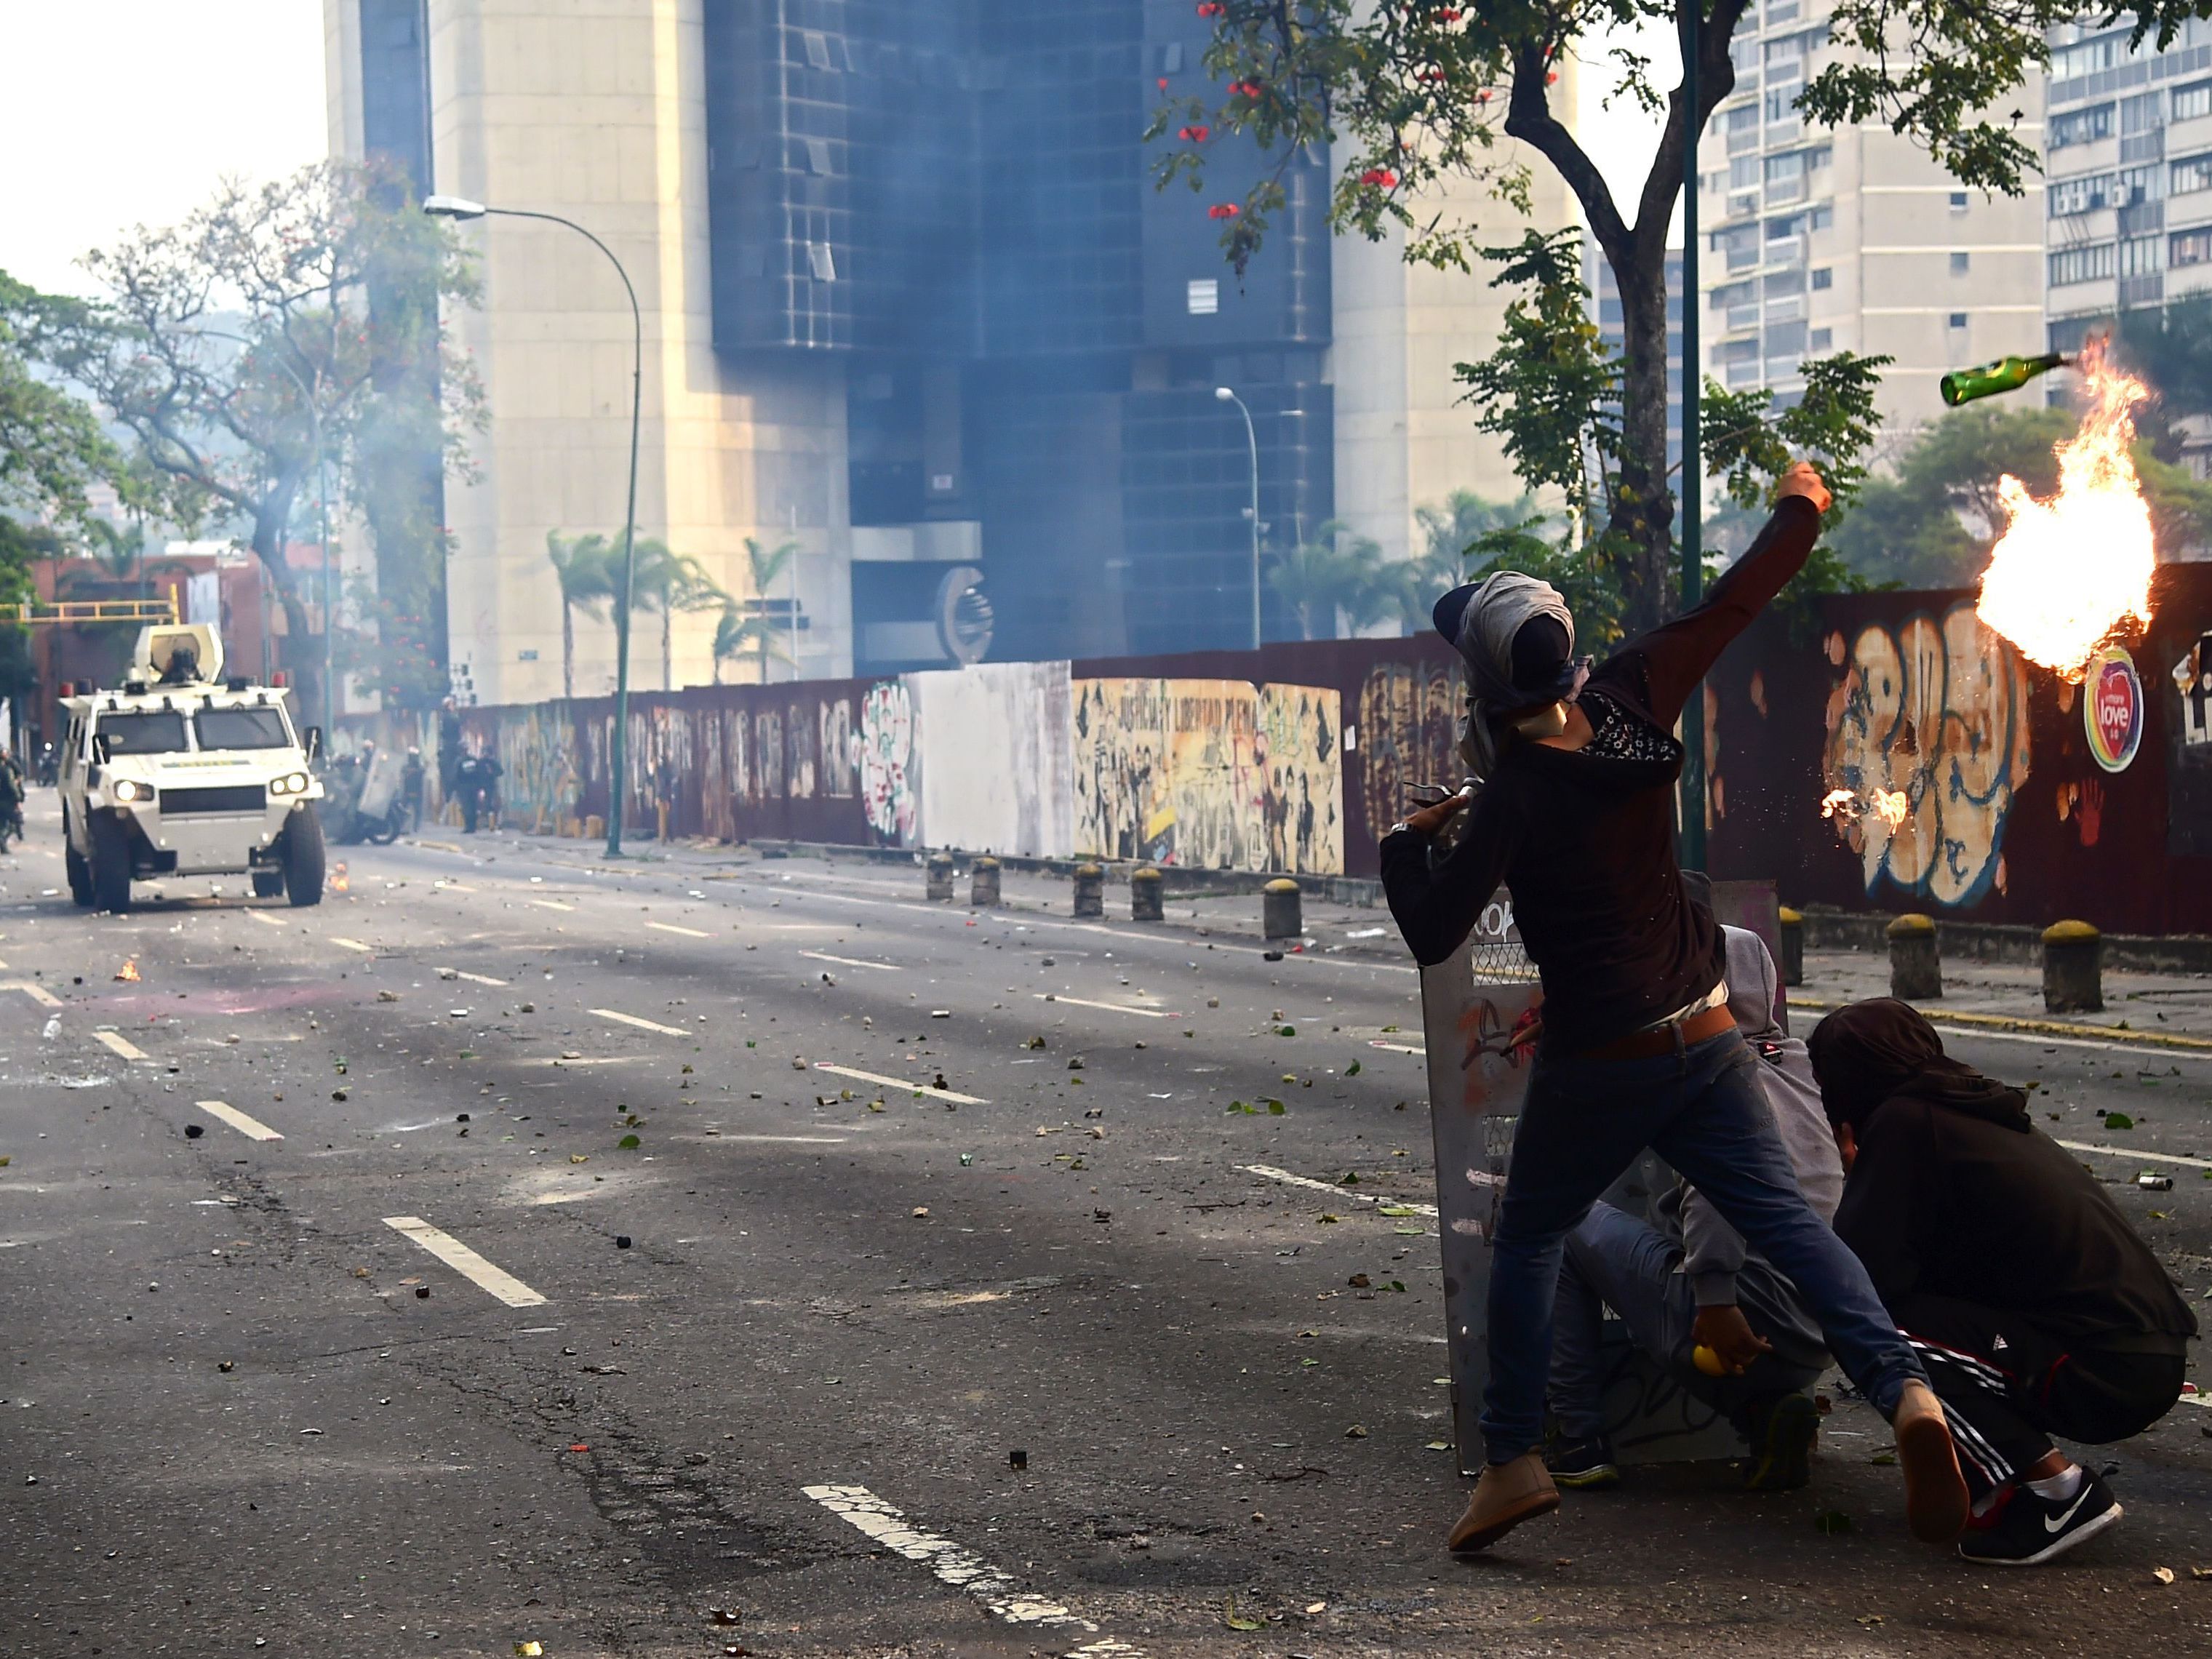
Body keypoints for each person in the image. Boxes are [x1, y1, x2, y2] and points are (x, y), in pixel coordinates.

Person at [1381, 461, 1967, 1554]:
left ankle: (1513, 1460)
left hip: (1600, 1056)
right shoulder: (1634, 699)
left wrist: (1401, 844)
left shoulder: (1509, 795)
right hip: (1705, 1033)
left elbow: (1432, 931)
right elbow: (1737, 597)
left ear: (1487, 693)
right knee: (1789, 1224)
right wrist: (1799, 504)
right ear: (1567, 656)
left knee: (1527, 1235)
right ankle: (1902, 1391)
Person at [1808, 1000, 2197, 1566]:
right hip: (2137, 1351)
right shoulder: (1967, 1107)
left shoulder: (1903, 1121)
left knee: (1868, 1324)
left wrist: (1853, 1175)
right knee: (1908, 1313)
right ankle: (1991, 1482)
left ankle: (2058, 1491)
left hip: (2100, 1365)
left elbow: (1859, 1276)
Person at [1546, 927, 1840, 1493]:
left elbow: (1718, 1191)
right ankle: (1764, 1416)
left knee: (1564, 1220)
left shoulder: (1711, 1073)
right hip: (1816, 1334)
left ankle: (1577, 1439)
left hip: (1730, 1326)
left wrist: (1712, 1294)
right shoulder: (1797, 1065)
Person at [401, 746, 426, 832]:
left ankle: (416, 827)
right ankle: (402, 826)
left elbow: (422, 771)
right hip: (407, 792)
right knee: (402, 810)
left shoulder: (420, 768)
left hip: (417, 792)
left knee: (418, 811)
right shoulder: (406, 767)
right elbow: (403, 771)